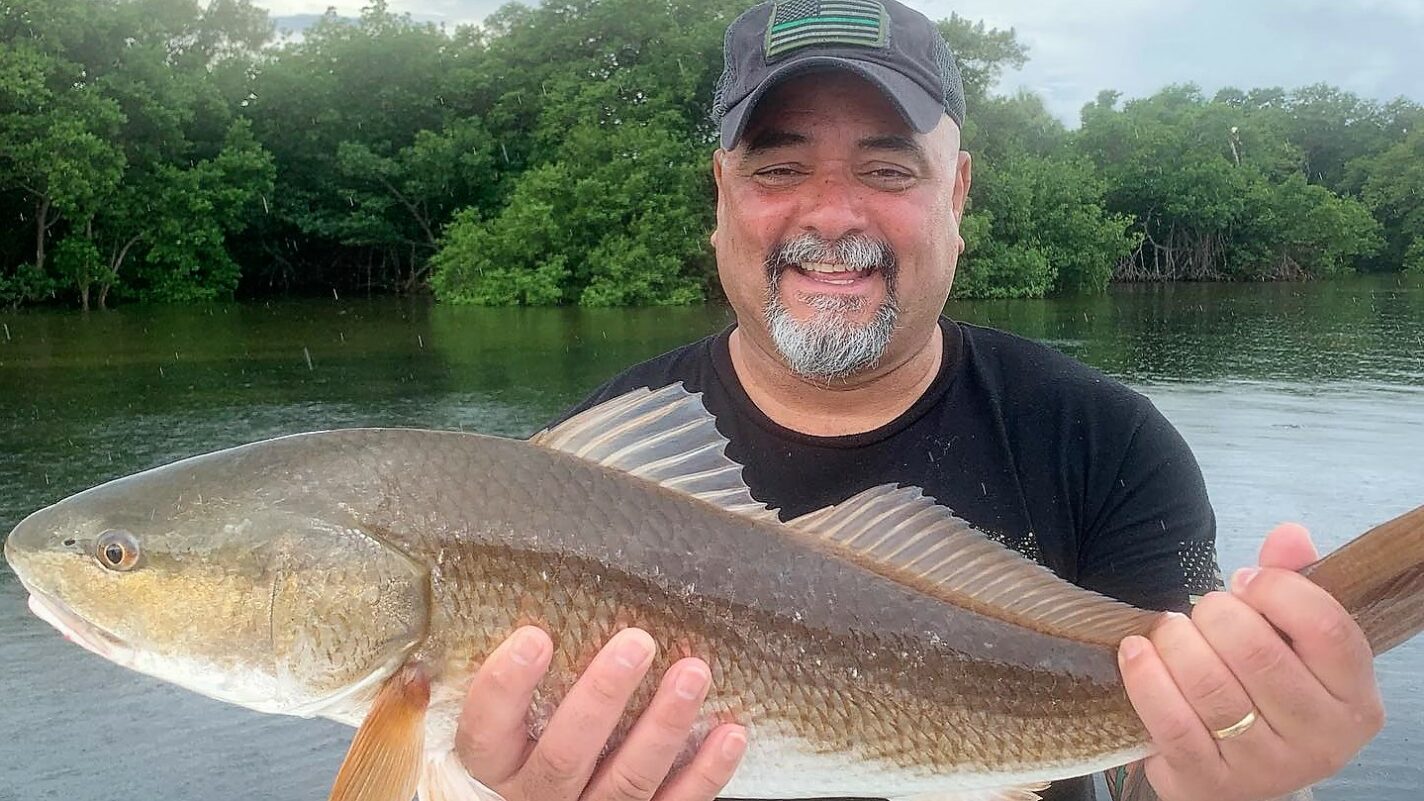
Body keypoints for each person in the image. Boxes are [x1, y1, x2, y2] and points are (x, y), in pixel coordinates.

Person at [450, 1, 1386, 800]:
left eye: (887, 168)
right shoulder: (582, 464)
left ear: (959, 194)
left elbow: (1165, 761)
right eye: (778, 168)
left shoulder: (1104, 441)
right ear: (722, 195)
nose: (831, 213)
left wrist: (1258, 772)